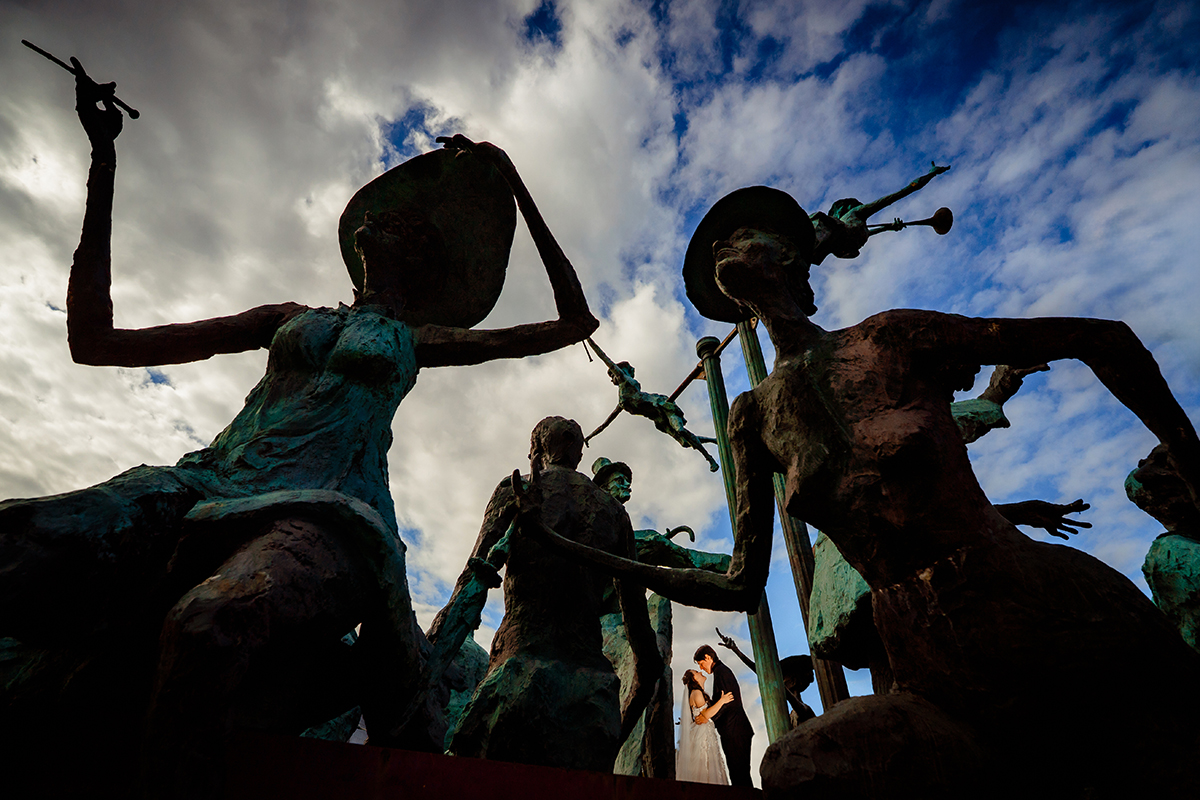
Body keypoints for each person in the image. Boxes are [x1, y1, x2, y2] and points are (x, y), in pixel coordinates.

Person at [0, 66, 597, 798]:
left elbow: (573, 322)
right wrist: (104, 159)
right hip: (208, 482)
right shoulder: (287, 317)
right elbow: (96, 342)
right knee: (21, 541)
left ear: (421, 257)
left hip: (328, 512)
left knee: (211, 623)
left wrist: (513, 181)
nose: (382, 216)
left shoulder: (417, 338)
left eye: (404, 220)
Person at [522, 180, 1200, 793]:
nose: (725, 245)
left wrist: (1195, 474)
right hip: (927, 657)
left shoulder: (890, 339)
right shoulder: (753, 415)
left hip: (1037, 605)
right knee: (798, 765)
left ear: (790, 255)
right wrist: (586, 554)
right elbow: (740, 584)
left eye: (743, 233)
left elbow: (1102, 340)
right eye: (720, 244)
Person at [428, 417, 661, 772]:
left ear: (536, 450)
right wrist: (620, 726)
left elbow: (469, 587)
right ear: (578, 455)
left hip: (516, 680)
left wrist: (426, 672)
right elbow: (645, 647)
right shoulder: (615, 513)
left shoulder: (516, 489)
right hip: (593, 699)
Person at [583, 339, 720, 471]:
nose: (612, 379)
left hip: (660, 405)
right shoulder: (622, 402)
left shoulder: (625, 381)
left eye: (612, 375)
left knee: (680, 430)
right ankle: (714, 440)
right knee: (684, 443)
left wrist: (588, 339)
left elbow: (604, 357)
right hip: (657, 418)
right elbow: (605, 423)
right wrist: (589, 436)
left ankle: (709, 459)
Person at [715, 629, 815, 727]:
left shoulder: (803, 710)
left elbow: (771, 680)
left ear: (793, 682)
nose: (779, 684)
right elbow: (763, 674)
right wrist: (736, 650)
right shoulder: (792, 714)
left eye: (783, 680)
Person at [693, 644, 754, 787]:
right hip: (734, 730)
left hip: (735, 730)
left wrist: (708, 718)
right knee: (738, 773)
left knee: (739, 774)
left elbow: (728, 702)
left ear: (708, 657)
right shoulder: (720, 672)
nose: (701, 668)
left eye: (701, 663)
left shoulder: (721, 672)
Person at [676, 668, 731, 785]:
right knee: (705, 765)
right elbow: (706, 714)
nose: (700, 672)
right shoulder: (696, 693)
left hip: (703, 732)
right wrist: (722, 701)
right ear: (694, 679)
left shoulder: (697, 693)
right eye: (697, 672)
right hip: (702, 735)